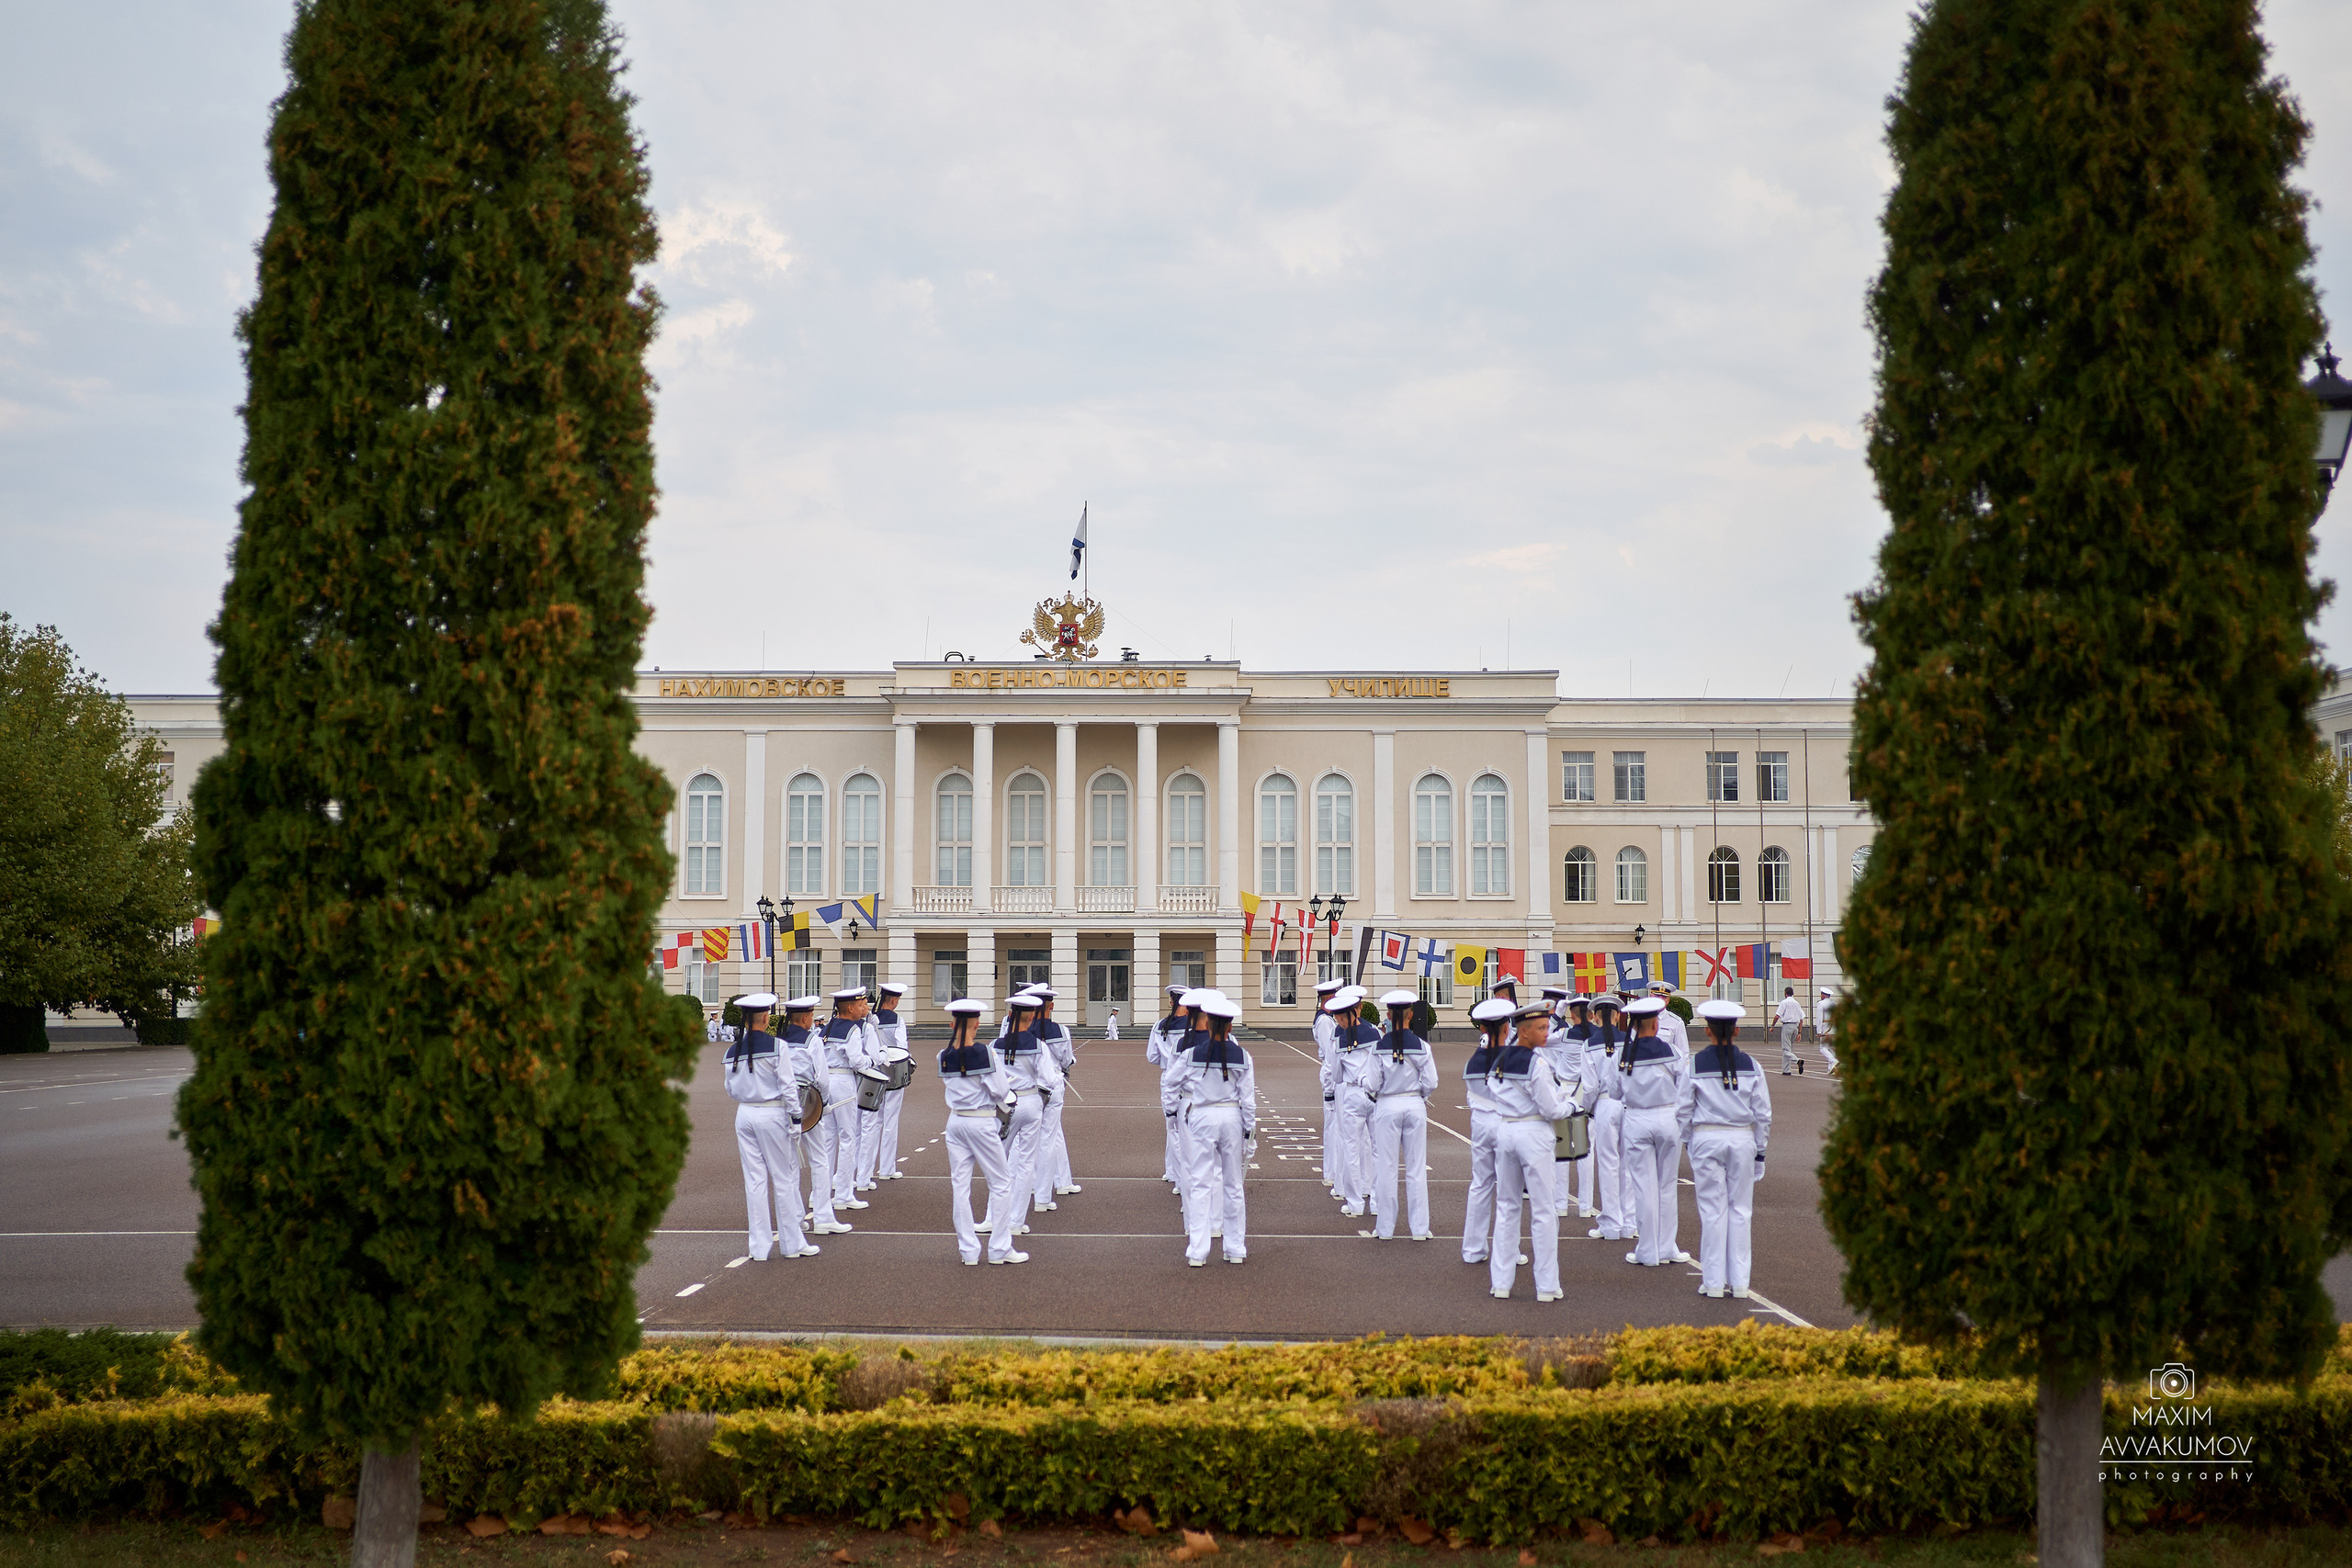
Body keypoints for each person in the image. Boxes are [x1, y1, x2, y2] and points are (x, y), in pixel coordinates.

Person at [1680, 998, 1773, 1299]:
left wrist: (1688, 1142)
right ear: (1737, 1031)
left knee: (1712, 1210)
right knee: (1741, 1210)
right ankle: (1741, 1282)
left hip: (1707, 1137)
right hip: (1742, 1139)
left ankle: (1713, 1281)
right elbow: (1763, 1114)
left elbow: (1683, 1111)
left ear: (1707, 1031)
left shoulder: (1693, 1064)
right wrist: (1760, 1150)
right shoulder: (1753, 1065)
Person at [1486, 1001, 1575, 1302]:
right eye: (1540, 1027)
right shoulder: (1536, 1063)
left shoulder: (1500, 1058)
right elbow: (1551, 1109)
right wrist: (1573, 1105)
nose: (1546, 1031)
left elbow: (1492, 1089)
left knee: (1508, 1207)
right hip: (1533, 1133)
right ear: (1523, 1032)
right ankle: (1547, 1286)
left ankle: (1501, 1282)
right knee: (1543, 1210)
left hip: (1507, 1129)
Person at [722, 994, 822, 1261]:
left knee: (754, 1181)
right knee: (784, 1178)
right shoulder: (778, 1046)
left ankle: (759, 1248)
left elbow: (730, 1089)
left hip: (744, 1114)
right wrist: (797, 1119)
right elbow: (789, 1089)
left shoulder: (732, 1050)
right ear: (766, 1018)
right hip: (772, 1114)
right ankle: (791, 1244)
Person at [937, 998, 1024, 1265]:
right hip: (981, 1121)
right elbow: (1000, 1091)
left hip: (955, 1123)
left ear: (953, 1024)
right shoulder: (987, 1053)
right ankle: (999, 1249)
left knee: (960, 1186)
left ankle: (968, 1251)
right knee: (1000, 1183)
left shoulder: (943, 1056)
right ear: (976, 1023)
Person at [1172, 994, 1257, 1265]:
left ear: (1207, 1024)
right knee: (1233, 1184)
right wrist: (1250, 1134)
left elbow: (1171, 1081)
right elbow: (1248, 1100)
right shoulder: (1243, 1055)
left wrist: (1184, 1098)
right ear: (1230, 1026)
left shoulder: (1190, 1054)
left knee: (1200, 1182)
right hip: (1232, 1116)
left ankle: (1198, 1251)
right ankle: (1235, 1249)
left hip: (1202, 1115)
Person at [1612, 995, 1692, 1269]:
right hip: (1668, 1117)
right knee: (1667, 1186)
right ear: (1656, 1024)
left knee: (1643, 1187)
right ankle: (1667, 1246)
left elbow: (1614, 1091)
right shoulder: (1674, 1053)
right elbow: (1685, 1088)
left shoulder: (1623, 1055)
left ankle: (1647, 1251)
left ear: (1634, 1026)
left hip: (1636, 1119)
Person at [1355, 988, 1439, 1241]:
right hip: (1414, 1104)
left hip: (1388, 1106)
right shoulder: (1422, 1045)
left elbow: (1371, 1083)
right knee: (1416, 1169)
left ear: (1389, 1015)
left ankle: (1385, 1229)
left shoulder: (1379, 1046)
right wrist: (1419, 1095)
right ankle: (1420, 1229)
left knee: (1387, 1167)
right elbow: (1431, 1081)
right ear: (1411, 1014)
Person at [988, 993, 1064, 1246]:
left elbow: (989, 1077)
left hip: (1006, 1103)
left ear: (1010, 1016)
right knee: (1025, 1164)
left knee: (999, 1162)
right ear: (1031, 1018)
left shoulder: (995, 1044)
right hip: (1032, 1102)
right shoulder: (1038, 1046)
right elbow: (1049, 1079)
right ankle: (1016, 1222)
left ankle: (992, 1217)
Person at [778, 996, 848, 1236]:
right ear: (807, 1018)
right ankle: (823, 1217)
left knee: (789, 1163)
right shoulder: (812, 1040)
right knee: (819, 1159)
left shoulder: (778, 1041)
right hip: (809, 1102)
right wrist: (824, 1105)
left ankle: (796, 1219)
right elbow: (822, 1078)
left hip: (783, 1103)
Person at [812, 987, 880, 1223]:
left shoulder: (825, 1029)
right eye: (859, 1003)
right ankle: (843, 1194)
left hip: (826, 1082)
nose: (863, 1006)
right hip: (843, 1081)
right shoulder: (852, 1029)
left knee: (828, 1139)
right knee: (849, 1137)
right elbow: (857, 1061)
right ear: (850, 1007)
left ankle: (819, 1193)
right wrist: (873, 1059)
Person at [1459, 997, 1516, 1268]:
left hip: (1480, 1123)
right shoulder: (1516, 1059)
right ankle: (1509, 1252)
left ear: (1482, 1028)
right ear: (1507, 1028)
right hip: (1507, 1123)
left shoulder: (1473, 1061)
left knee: (1480, 1184)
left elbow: (1472, 1093)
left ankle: (1473, 1248)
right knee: (1509, 1190)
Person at [1577, 995, 1633, 1238]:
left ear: (1595, 1017)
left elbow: (1589, 1087)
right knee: (1628, 1164)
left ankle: (1611, 1224)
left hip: (1604, 1105)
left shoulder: (1588, 1045)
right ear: (1617, 1016)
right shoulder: (1629, 1041)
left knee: (1608, 1163)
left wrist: (1587, 1109)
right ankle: (1630, 1222)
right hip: (1629, 1105)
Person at [1322, 986, 1378, 1217]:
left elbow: (1335, 1075)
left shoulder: (1339, 1040)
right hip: (1375, 1094)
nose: (1338, 1021)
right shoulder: (1375, 1033)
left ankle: (1355, 1203)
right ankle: (1376, 1202)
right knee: (1377, 1150)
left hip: (1353, 1094)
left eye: (1339, 1017)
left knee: (1351, 1148)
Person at [1023, 986, 1081, 1209]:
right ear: (1052, 1006)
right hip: (1054, 1085)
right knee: (1050, 1136)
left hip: (1030, 1086)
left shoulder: (1023, 1030)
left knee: (1031, 1138)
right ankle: (1049, 1189)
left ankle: (1056, 1181)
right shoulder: (1062, 1031)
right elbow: (1066, 1059)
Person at [856, 981, 914, 1189]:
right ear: (895, 1000)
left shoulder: (872, 1019)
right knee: (891, 1122)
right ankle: (887, 1168)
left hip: (874, 1074)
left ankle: (867, 1169)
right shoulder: (898, 1020)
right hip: (894, 1074)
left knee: (874, 1122)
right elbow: (902, 1048)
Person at [1147, 984, 1191, 1186]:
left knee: (1171, 1126)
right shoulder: (1194, 1026)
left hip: (1168, 1078)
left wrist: (1166, 1062)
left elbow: (1152, 1056)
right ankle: (1180, 1177)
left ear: (1173, 1002)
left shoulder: (1160, 1025)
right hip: (1190, 1080)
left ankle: (1173, 1172)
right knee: (1185, 1129)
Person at [1309, 976, 1347, 1190]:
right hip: (1331, 1071)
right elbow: (1330, 1054)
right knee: (1333, 1125)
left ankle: (1335, 1171)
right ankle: (1332, 1172)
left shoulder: (1328, 1018)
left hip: (1333, 1070)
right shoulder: (1324, 1021)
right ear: (1330, 997)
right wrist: (1333, 1084)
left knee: (1337, 1125)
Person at [1649, 982, 1691, 1062]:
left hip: (1667, 1070)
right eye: (1657, 996)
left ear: (1668, 1000)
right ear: (1651, 996)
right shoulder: (1640, 1019)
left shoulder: (1676, 1022)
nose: (1660, 1000)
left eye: (1664, 997)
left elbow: (1683, 1053)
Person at [1773, 987, 1805, 1076]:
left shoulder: (1784, 1003)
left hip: (1787, 1026)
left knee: (1785, 1050)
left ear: (1786, 993)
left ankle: (1797, 1060)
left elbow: (1777, 1016)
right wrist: (1799, 1032)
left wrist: (1772, 1026)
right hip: (1795, 1027)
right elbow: (1801, 1019)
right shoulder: (1797, 1004)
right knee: (1788, 1049)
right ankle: (1786, 1070)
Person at [1815, 988, 1840, 1076]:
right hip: (1833, 1028)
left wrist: (1819, 1031)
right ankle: (1831, 1068)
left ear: (1823, 995)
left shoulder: (1820, 1004)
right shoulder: (1834, 1004)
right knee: (1829, 1048)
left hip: (1825, 1028)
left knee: (1822, 1048)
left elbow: (1819, 1018)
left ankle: (1834, 1061)